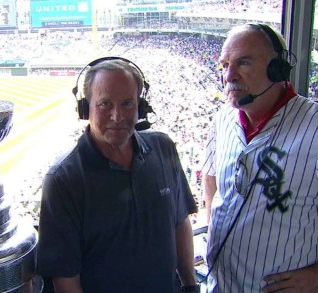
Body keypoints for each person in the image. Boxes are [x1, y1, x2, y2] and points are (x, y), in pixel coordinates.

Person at [202, 23, 318, 292]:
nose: (229, 75)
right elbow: (211, 180)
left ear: (278, 69)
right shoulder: (223, 119)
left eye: (243, 63)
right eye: (224, 65)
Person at [36, 58, 199, 293]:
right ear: (85, 109)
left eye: (127, 104)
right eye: (105, 104)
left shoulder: (164, 148)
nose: (117, 116)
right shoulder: (63, 179)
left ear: (141, 107)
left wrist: (190, 285)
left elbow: (180, 221)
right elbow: (65, 278)